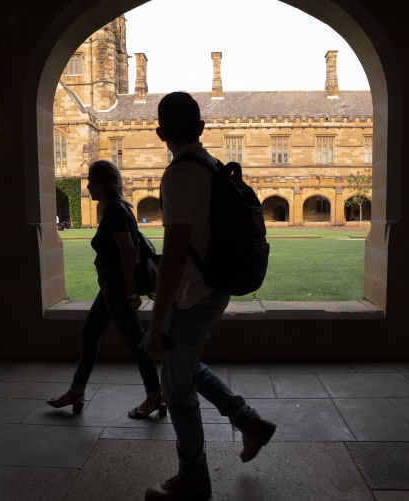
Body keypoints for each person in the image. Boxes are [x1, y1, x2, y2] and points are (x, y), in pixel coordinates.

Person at [141, 92, 276, 501]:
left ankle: (194, 478)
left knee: (177, 389)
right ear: (201, 127)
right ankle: (250, 423)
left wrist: (156, 319)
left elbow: (176, 253)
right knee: (185, 367)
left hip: (193, 293)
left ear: (161, 132)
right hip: (216, 285)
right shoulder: (213, 166)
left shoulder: (180, 174)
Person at [47, 160, 166, 420]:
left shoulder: (114, 210)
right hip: (111, 285)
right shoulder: (121, 206)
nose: (88, 185)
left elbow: (128, 252)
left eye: (92, 181)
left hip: (117, 286)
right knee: (89, 333)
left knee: (137, 342)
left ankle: (155, 396)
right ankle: (77, 391)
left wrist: (132, 293)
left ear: (103, 184)